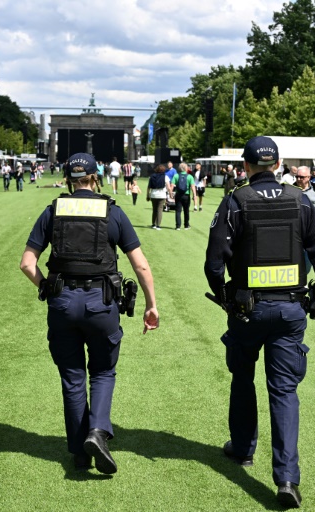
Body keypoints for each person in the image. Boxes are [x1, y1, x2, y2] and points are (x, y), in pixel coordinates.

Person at [204, 136, 315, 509]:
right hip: (292, 311)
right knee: (284, 391)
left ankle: (244, 449)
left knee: (243, 376)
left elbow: (214, 264)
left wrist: (227, 298)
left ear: (246, 166)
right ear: (278, 165)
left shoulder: (235, 200)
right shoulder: (301, 200)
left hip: (249, 311)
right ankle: (287, 479)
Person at [19, 152, 159, 474]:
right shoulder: (112, 211)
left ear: (68, 179)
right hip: (102, 302)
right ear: (95, 178)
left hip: (62, 302)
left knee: (72, 378)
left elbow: (27, 263)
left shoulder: (52, 210)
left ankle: (79, 454)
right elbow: (140, 264)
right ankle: (97, 432)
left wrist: (46, 286)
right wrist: (151, 304)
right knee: (103, 372)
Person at [169, 162, 196, 230]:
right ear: (186, 168)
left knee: (178, 211)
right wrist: (194, 195)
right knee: (186, 210)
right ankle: (186, 225)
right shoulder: (190, 176)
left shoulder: (176, 176)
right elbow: (193, 187)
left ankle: (178, 226)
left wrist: (170, 194)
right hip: (186, 195)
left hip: (178, 195)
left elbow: (171, 186)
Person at [146, 164, 168, 230]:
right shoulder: (165, 176)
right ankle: (158, 225)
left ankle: (153, 224)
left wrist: (147, 195)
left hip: (153, 195)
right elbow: (168, 186)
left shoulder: (152, 176)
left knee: (154, 210)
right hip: (161, 195)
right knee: (160, 210)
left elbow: (149, 187)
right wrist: (170, 194)